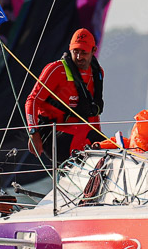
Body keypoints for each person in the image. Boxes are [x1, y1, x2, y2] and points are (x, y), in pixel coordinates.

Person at [25, 28, 105, 156]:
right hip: (51, 134)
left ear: (93, 50)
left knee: (105, 144)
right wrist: (33, 132)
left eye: (83, 52)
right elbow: (32, 100)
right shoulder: (56, 69)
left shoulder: (97, 73)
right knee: (90, 139)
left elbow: (93, 110)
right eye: (75, 51)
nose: (79, 57)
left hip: (79, 131)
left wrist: (99, 137)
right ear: (69, 49)